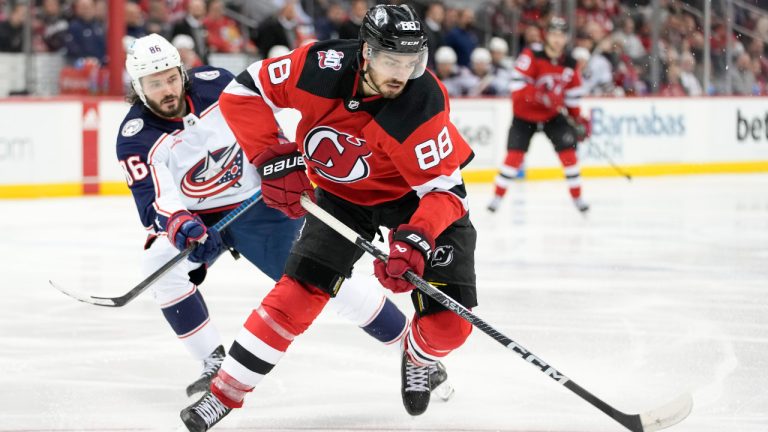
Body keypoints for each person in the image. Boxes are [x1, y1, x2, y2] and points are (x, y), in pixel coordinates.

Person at [180, 4, 477, 431]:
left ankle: (417, 353)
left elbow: (445, 192)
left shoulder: (422, 104)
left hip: (416, 200)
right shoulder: (319, 66)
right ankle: (225, 392)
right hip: (341, 197)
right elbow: (244, 91)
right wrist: (271, 156)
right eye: (392, 60)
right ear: (366, 52)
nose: (402, 73)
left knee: (449, 326)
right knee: (296, 295)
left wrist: (416, 239)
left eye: (412, 62)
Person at [117, 33, 436, 401]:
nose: (167, 89)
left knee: (321, 276)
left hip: (259, 204)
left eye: (172, 77)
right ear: (139, 87)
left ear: (182, 72)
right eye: (155, 84)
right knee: (159, 267)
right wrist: (182, 226)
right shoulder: (135, 138)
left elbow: (260, 119)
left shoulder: (215, 84)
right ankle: (212, 361)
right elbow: (154, 199)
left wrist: (279, 166)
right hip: (198, 220)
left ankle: (410, 349)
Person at [487, 17, 591, 214]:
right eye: (554, 34)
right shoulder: (532, 55)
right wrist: (540, 97)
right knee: (514, 157)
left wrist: (578, 120)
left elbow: (572, 98)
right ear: (547, 36)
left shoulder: (570, 63)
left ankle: (578, 199)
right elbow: (516, 87)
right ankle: (497, 198)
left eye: (561, 35)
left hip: (552, 116)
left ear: (566, 38)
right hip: (524, 116)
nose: (557, 39)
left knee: (569, 155)